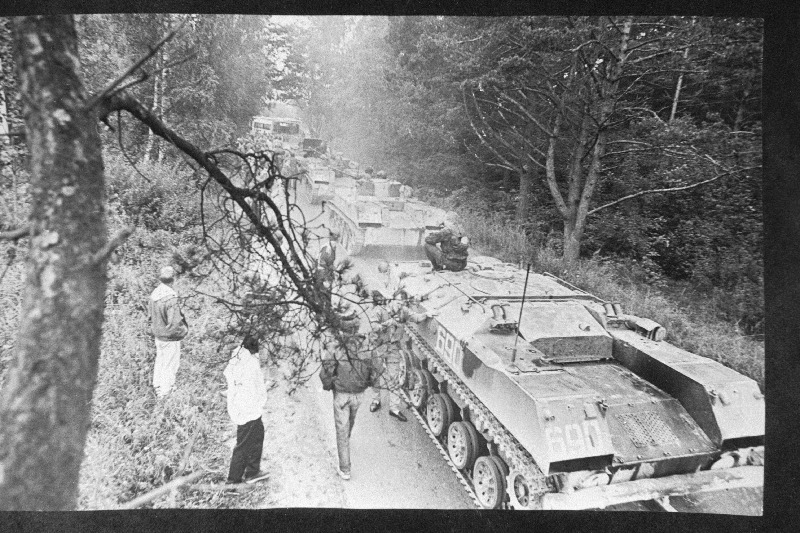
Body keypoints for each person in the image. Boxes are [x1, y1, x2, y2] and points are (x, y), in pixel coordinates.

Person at [319, 295, 375, 481]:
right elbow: (376, 371)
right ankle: (346, 443)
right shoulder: (367, 346)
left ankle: (345, 469)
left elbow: (327, 371)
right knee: (351, 420)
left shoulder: (335, 346)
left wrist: (328, 387)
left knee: (341, 429)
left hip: (341, 395)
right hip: (359, 395)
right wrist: (368, 384)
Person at [224, 334, 269, 484]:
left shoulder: (238, 355)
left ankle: (252, 471)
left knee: (257, 436)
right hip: (248, 410)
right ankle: (233, 480)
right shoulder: (250, 364)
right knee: (244, 444)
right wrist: (259, 403)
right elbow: (257, 388)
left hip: (242, 407)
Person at [148, 266, 189, 397]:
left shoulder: (154, 294)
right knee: (170, 364)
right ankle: (165, 393)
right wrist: (183, 331)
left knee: (160, 360)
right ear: (174, 279)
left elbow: (150, 316)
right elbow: (175, 323)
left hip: (158, 335)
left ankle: (158, 386)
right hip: (169, 337)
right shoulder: (170, 298)